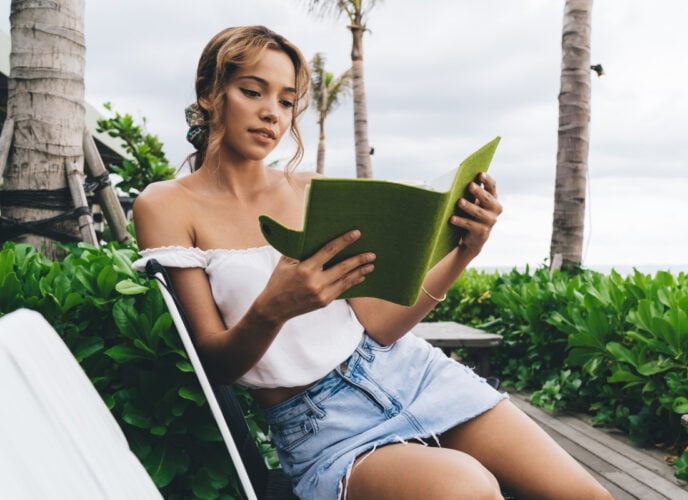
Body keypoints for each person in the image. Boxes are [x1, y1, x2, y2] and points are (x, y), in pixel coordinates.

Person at [132, 25, 612, 500]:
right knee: (470, 489)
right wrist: (273, 308)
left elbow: (378, 327)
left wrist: (466, 251)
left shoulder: (310, 191)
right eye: (252, 91)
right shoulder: (167, 206)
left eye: (285, 101)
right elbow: (213, 363)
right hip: (320, 427)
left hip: (409, 372)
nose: (271, 114)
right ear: (209, 94)